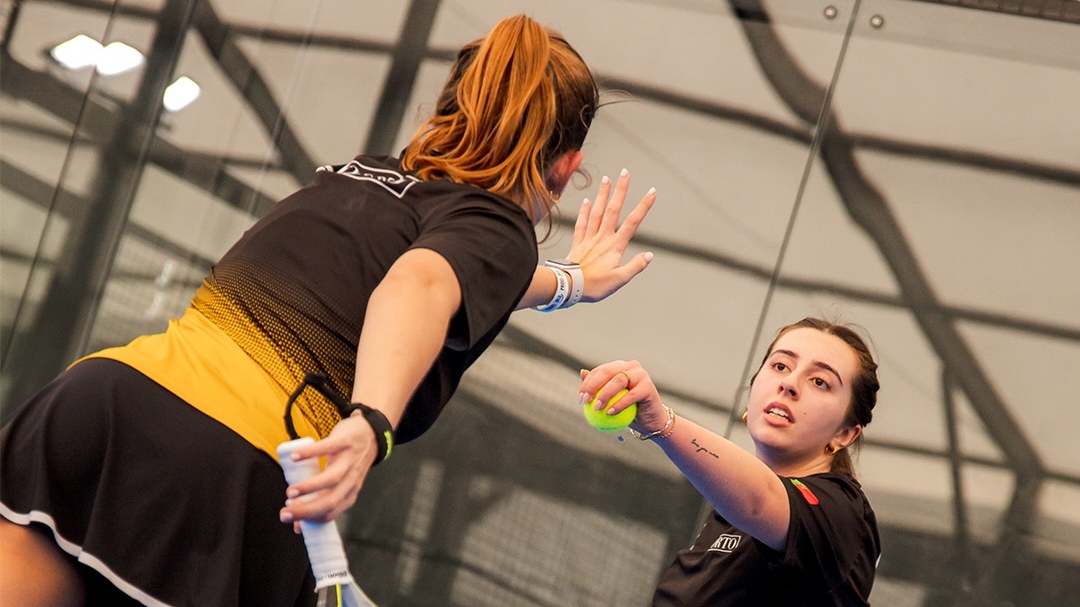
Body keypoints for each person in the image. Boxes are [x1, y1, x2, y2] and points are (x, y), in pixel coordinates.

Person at [0, 14, 658, 607]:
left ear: (448, 110)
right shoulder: (493, 227)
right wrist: (371, 422)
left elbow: (459, 270)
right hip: (229, 460)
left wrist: (569, 281)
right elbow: (421, 282)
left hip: (100, 399)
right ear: (563, 167)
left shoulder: (356, 177)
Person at [579, 317, 880, 606]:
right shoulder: (725, 517)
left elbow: (759, 500)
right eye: (780, 365)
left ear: (844, 434)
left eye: (819, 381)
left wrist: (661, 423)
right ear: (752, 394)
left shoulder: (844, 512)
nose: (789, 383)